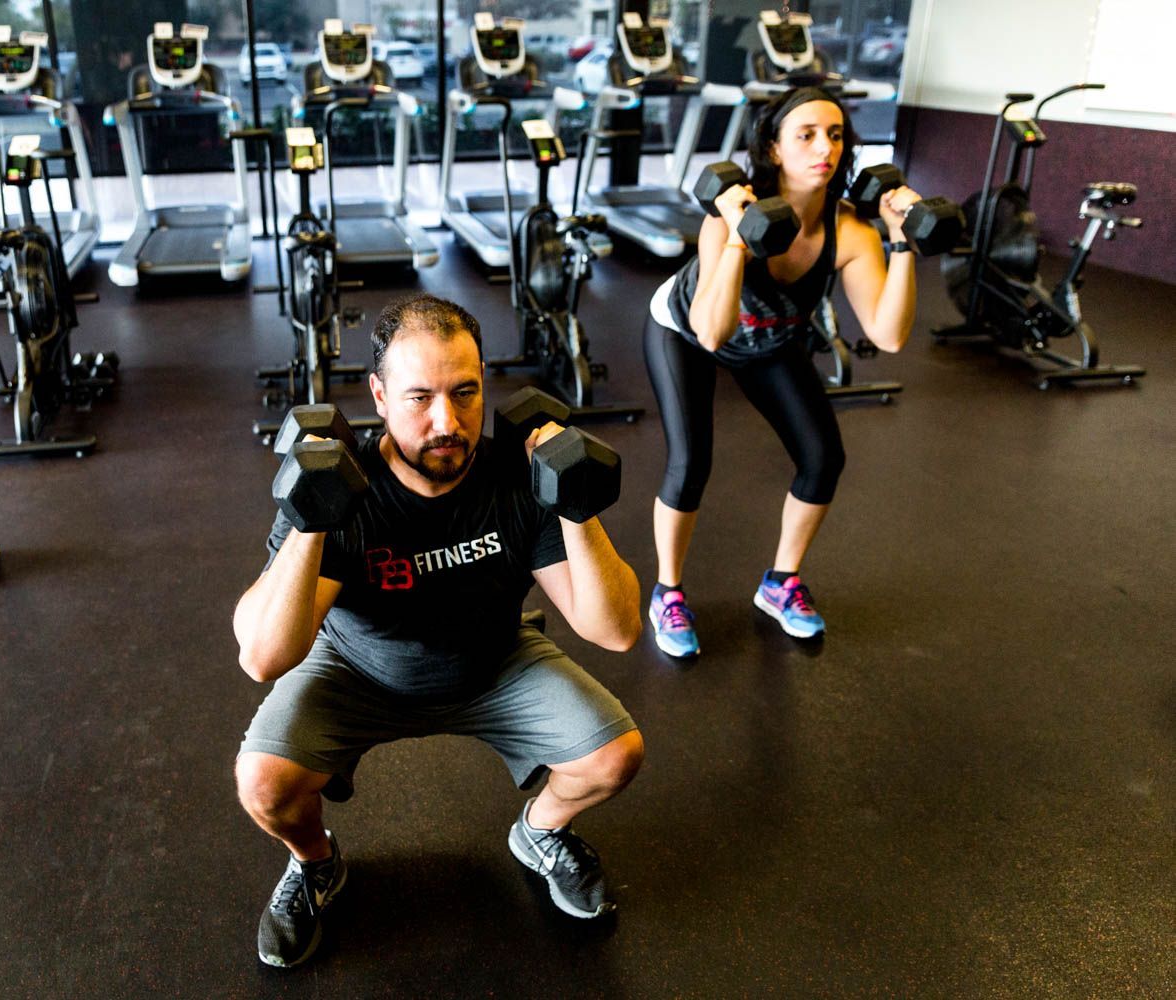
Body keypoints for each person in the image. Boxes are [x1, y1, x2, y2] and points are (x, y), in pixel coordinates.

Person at [233, 294, 645, 968]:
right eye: (419, 397)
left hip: (494, 660)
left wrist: (574, 505)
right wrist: (311, 525)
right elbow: (262, 657)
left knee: (613, 754)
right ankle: (314, 865)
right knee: (264, 782)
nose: (446, 421)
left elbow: (619, 630)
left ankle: (541, 833)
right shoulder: (345, 490)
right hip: (358, 669)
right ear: (378, 394)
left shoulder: (518, 480)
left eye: (465, 392)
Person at [643, 86, 920, 657]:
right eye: (807, 134)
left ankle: (781, 583)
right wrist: (741, 242)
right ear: (773, 149)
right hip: (686, 332)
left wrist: (902, 240)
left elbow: (888, 335)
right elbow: (711, 334)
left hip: (770, 340)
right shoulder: (726, 218)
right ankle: (666, 592)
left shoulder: (851, 232)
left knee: (823, 457)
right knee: (691, 462)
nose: (826, 147)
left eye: (836, 134)